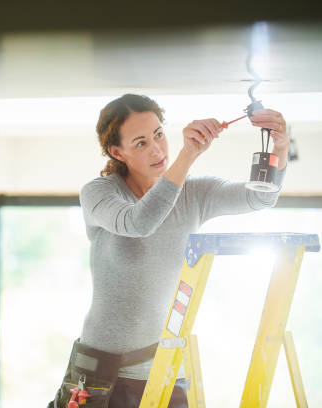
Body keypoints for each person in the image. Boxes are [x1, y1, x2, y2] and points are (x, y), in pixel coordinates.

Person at [48, 94, 289, 408]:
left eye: (158, 134)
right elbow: (139, 222)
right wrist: (187, 156)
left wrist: (281, 146)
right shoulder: (100, 193)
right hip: (102, 375)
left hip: (166, 369)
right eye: (140, 143)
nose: (157, 149)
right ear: (117, 151)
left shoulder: (194, 193)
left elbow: (260, 198)